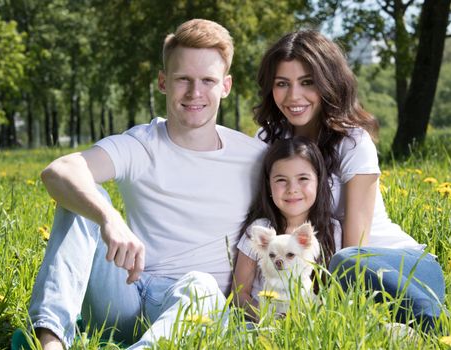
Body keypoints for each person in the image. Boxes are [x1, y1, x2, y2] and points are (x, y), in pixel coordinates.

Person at [27, 18, 266, 350]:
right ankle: (51, 340)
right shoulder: (140, 144)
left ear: (225, 86)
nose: (195, 93)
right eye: (183, 79)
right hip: (123, 294)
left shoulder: (254, 156)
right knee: (83, 194)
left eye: (207, 80)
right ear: (163, 82)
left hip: (195, 308)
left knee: (201, 285)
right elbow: (59, 171)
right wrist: (109, 219)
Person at [253, 29, 445, 329]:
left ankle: (433, 328)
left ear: (328, 84)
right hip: (327, 275)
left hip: (402, 270)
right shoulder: (268, 141)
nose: (293, 96)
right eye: (282, 84)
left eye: (307, 82)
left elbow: (356, 247)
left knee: (346, 261)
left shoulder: (353, 142)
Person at [232, 136, 341, 319]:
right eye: (281, 180)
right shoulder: (260, 229)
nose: (292, 189)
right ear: (269, 185)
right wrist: (268, 317)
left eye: (303, 178)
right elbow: (238, 294)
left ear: (319, 180)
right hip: (261, 322)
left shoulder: (332, 230)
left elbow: (334, 296)